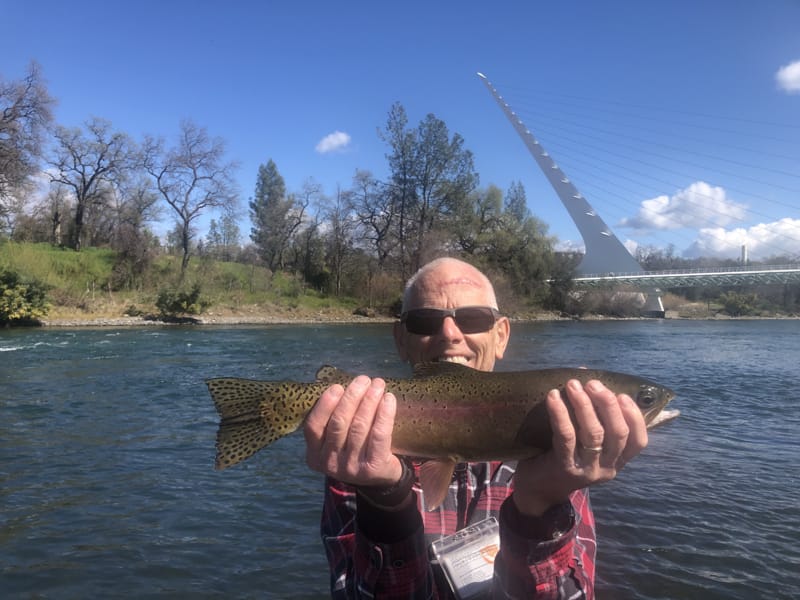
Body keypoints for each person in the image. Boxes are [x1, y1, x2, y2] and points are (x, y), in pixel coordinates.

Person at [303, 257, 648, 599]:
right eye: (424, 322)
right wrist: (386, 503)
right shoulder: (359, 446)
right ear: (401, 340)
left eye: (472, 319)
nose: (450, 334)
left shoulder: (562, 454)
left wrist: (539, 506)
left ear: (501, 336)